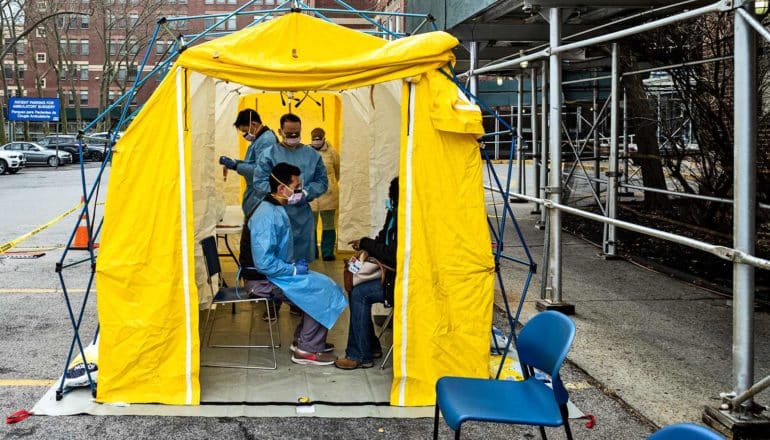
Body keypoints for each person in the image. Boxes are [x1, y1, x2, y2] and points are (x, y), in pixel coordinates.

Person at [246, 162, 348, 366]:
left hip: (277, 273)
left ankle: (307, 340)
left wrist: (291, 265)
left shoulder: (274, 207)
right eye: (296, 185)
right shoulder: (266, 215)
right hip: (264, 280)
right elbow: (264, 262)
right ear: (282, 188)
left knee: (326, 284)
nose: (299, 191)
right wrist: (292, 269)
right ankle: (307, 350)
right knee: (320, 291)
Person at [253, 113, 328, 320]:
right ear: (280, 132)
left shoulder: (312, 155)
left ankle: (298, 302)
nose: (293, 136)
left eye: (297, 133)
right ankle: (273, 303)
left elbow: (323, 181)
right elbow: (259, 182)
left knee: (300, 261)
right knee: (275, 260)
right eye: (289, 133)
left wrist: (306, 193)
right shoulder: (269, 154)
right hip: (277, 215)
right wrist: (280, 196)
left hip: (301, 217)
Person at [335, 177, 398, 370]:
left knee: (360, 295)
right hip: (392, 275)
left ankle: (359, 355)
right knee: (356, 290)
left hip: (405, 281)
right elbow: (382, 239)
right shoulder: (395, 214)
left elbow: (394, 254)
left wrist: (365, 243)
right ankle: (369, 346)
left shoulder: (408, 220)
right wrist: (367, 248)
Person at [218, 109, 278, 282]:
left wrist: (236, 166)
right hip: (256, 196)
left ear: (254, 124)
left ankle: (257, 281)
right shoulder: (260, 140)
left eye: (245, 131)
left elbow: (261, 171)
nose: (245, 135)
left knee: (255, 244)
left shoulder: (266, 140)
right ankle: (255, 279)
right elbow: (254, 163)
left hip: (260, 197)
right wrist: (237, 163)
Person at [309, 127, 340, 261]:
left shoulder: (332, 152)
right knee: (311, 224)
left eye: (318, 139)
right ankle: (312, 252)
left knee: (328, 224)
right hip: (312, 194)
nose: (316, 141)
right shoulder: (306, 152)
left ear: (323, 138)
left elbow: (338, 171)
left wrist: (331, 183)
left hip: (329, 194)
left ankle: (327, 252)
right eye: (314, 139)